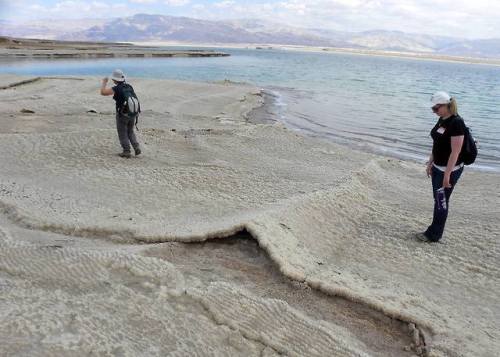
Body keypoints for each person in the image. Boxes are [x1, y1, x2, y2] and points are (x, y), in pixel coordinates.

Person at [416, 91, 466, 243]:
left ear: (446, 106)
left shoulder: (456, 122)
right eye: (433, 109)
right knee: (438, 200)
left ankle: (434, 235)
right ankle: (433, 230)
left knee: (441, 201)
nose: (434, 111)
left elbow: (455, 152)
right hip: (438, 167)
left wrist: (447, 175)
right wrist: (430, 162)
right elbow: (436, 142)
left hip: (449, 170)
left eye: (436, 109)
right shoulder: (442, 119)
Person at [100, 69, 141, 158]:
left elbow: (103, 92)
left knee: (122, 133)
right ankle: (136, 146)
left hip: (122, 114)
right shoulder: (129, 86)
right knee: (130, 131)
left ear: (115, 80)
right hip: (132, 113)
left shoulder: (116, 88)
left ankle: (126, 151)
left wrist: (104, 82)